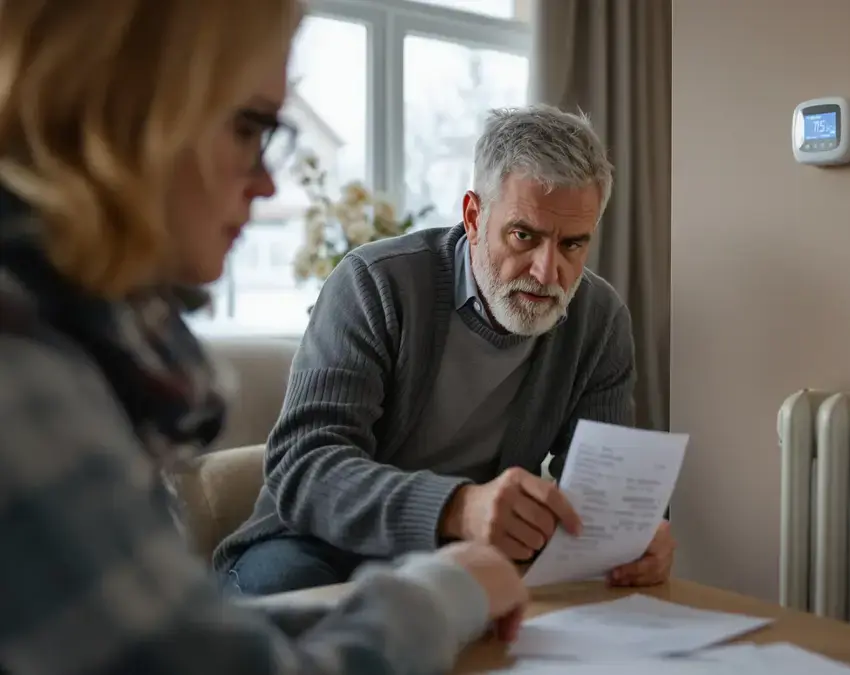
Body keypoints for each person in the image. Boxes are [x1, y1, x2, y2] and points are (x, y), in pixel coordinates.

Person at [0, 1, 529, 673]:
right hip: (322, 543)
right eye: (249, 125)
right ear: (118, 108)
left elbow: (180, 640)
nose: (267, 178)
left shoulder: (75, 354)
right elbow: (305, 468)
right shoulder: (28, 385)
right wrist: (445, 574)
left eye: (575, 242)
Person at [214, 104, 676, 595]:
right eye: (524, 236)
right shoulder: (372, 284)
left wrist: (634, 536)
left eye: (572, 246)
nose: (547, 272)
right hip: (309, 545)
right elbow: (302, 468)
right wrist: (458, 507)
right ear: (474, 216)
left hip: (457, 562)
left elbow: (598, 494)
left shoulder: (599, 321)